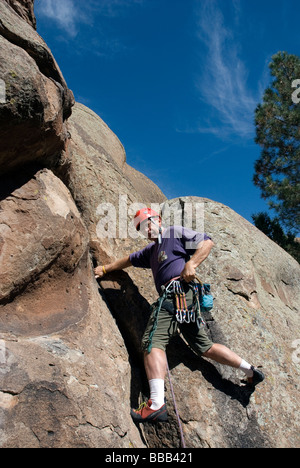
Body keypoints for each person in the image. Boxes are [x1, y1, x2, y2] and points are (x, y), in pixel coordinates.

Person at [95, 208, 264, 423]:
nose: (145, 230)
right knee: (205, 347)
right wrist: (105, 268)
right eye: (140, 228)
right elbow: (128, 259)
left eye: (147, 224)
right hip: (184, 300)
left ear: (157, 220)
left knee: (151, 341)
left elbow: (207, 242)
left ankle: (156, 404)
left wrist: (191, 263)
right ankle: (250, 371)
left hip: (177, 293)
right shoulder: (151, 251)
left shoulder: (173, 233)